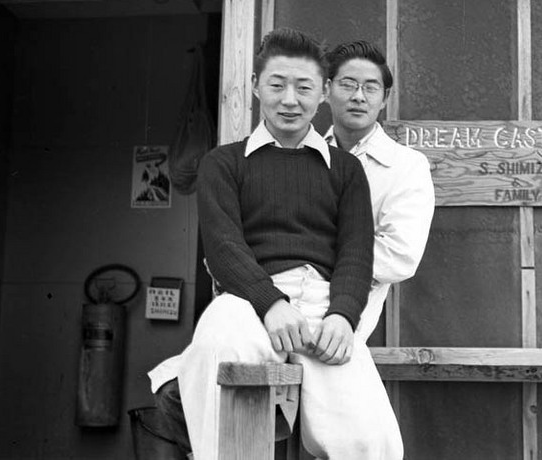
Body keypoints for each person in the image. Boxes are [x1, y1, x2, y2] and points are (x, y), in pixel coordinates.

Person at [148, 28, 402, 460]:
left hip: (323, 309)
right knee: (223, 353)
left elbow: (356, 255)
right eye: (277, 85)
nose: (290, 100)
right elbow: (224, 249)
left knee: (371, 442)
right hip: (247, 299)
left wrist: (343, 317)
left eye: (303, 88)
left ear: (322, 92)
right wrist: (271, 304)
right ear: (254, 87)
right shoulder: (223, 163)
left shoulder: (344, 170)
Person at [323, 40, 435, 341]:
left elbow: (400, 255)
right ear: (326, 89)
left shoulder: (406, 166)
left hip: (343, 324)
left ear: (384, 98)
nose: (358, 96)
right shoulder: (302, 156)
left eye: (370, 88)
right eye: (347, 85)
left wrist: (310, 250)